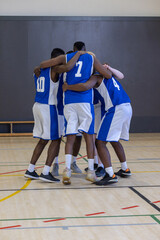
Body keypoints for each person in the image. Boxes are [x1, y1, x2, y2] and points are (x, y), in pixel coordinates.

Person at [40, 41, 112, 185]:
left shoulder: (67, 58)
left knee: (70, 136)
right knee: (89, 137)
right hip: (85, 101)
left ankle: (66, 169)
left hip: (69, 102)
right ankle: (91, 171)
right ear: (85, 49)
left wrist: (39, 68)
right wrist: (97, 71)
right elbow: (108, 75)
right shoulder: (91, 58)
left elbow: (44, 64)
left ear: (73, 49)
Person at [62, 63, 132, 185]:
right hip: (127, 106)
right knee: (114, 140)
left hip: (116, 108)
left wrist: (68, 87)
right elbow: (121, 75)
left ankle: (110, 174)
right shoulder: (109, 75)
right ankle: (125, 168)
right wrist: (109, 68)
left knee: (99, 142)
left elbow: (85, 86)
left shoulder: (95, 77)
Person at [24, 48, 85, 183]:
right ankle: (46, 172)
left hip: (37, 106)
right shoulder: (54, 70)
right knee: (56, 139)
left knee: (43, 140)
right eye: (61, 59)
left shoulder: (38, 71)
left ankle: (30, 169)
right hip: (48, 107)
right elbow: (68, 66)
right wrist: (78, 54)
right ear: (56, 60)